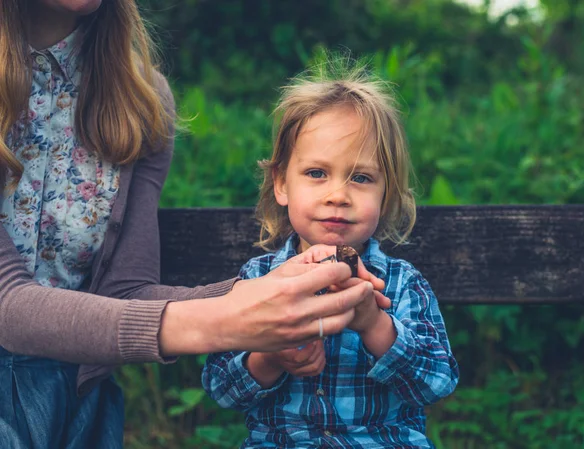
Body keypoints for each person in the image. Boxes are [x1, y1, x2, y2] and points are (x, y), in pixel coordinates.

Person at [0, 2, 389, 448]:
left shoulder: (139, 95)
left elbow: (126, 291)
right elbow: (6, 305)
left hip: (81, 400)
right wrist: (228, 319)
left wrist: (274, 285)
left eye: (360, 178)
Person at [202, 57, 460, 449]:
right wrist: (269, 356)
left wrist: (374, 324)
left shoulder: (402, 284)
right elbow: (221, 389)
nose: (338, 195)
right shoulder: (258, 280)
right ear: (282, 184)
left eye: (360, 177)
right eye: (317, 173)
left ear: (385, 194)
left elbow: (436, 382)